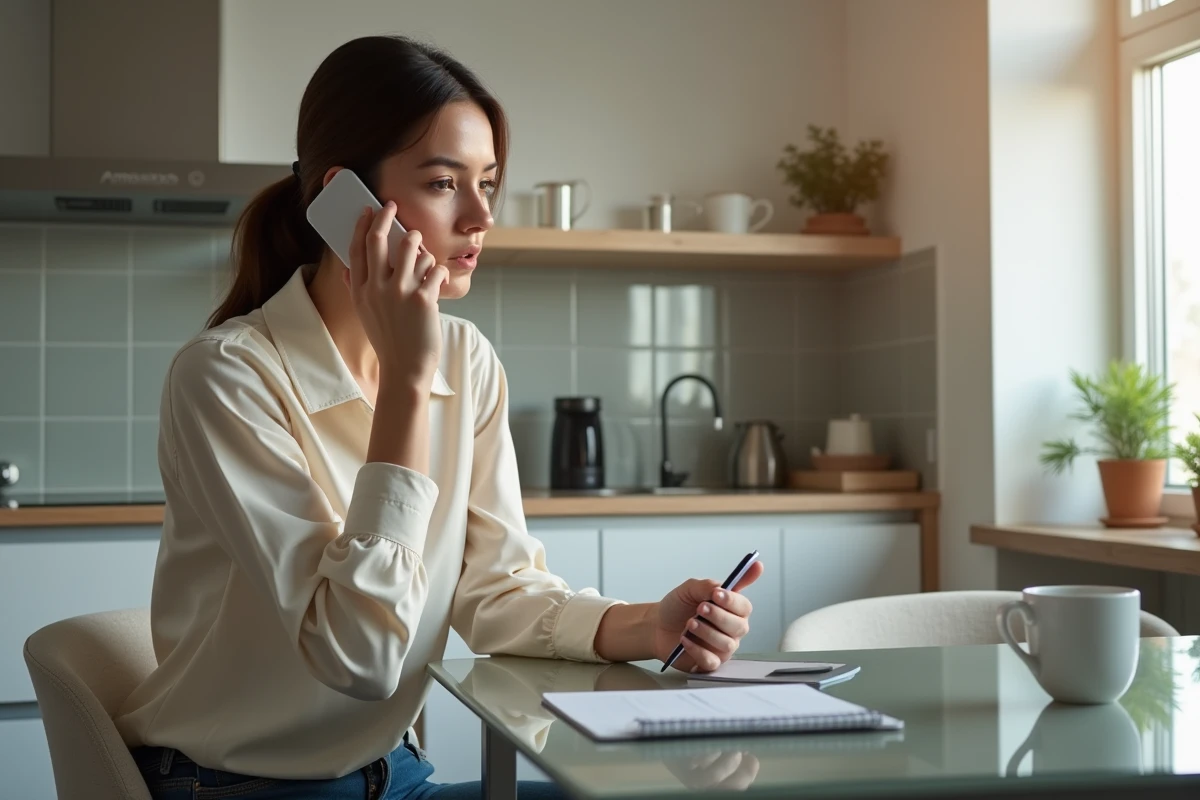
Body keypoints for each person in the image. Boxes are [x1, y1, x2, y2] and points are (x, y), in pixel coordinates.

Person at [115, 34, 763, 800]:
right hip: (239, 787)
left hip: (394, 774)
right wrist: (408, 382)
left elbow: (497, 591)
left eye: (487, 182)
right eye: (444, 182)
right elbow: (358, 657)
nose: (481, 215)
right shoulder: (226, 376)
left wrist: (646, 626)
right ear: (344, 200)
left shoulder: (467, 359)